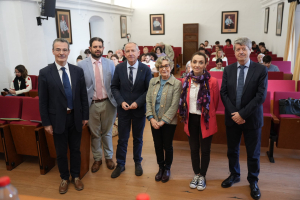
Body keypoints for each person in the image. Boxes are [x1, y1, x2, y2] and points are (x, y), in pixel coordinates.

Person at [38, 38, 89, 194]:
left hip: (75, 118)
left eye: (64, 49)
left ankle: (76, 176)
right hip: (57, 119)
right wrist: (46, 123)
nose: (61, 53)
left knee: (75, 149)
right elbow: (43, 101)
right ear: (53, 51)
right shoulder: (45, 73)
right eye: (58, 49)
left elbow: (83, 96)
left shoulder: (77, 71)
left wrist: (85, 116)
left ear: (69, 51)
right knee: (61, 151)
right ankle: (64, 178)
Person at [220, 37, 267, 200]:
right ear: (234, 52)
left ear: (250, 51)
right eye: (238, 49)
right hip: (232, 118)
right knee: (232, 150)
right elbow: (223, 93)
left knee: (253, 153)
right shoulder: (228, 70)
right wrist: (235, 113)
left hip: (252, 119)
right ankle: (234, 175)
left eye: (244, 48)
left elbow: (260, 96)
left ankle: (253, 180)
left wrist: (242, 114)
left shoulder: (260, 70)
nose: (241, 51)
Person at [111, 42, 152, 178]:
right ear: (124, 53)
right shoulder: (119, 68)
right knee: (122, 139)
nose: (130, 53)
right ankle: (120, 164)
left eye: (133, 51)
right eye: (127, 51)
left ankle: (137, 162)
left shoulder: (145, 69)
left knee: (138, 138)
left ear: (138, 52)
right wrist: (121, 101)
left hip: (138, 110)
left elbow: (149, 90)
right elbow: (114, 87)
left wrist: (138, 103)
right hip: (123, 110)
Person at [179, 52, 219, 191]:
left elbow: (215, 102)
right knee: (194, 149)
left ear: (206, 64)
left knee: (205, 149)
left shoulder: (212, 81)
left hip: (205, 120)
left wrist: (207, 114)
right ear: (190, 63)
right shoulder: (185, 80)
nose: (197, 65)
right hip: (190, 119)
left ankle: (203, 175)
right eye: (194, 62)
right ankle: (196, 173)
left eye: (200, 62)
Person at [77, 37, 117, 174]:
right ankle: (97, 158)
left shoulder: (110, 63)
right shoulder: (81, 65)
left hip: (108, 103)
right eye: (95, 47)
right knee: (95, 134)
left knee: (107, 132)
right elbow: (80, 88)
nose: (98, 49)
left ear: (103, 48)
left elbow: (114, 84)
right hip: (91, 104)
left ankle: (109, 157)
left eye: (100, 46)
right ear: (90, 48)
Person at [146, 56, 182, 183]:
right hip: (154, 120)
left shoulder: (177, 83)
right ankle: (160, 167)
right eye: (161, 66)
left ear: (171, 67)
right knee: (157, 145)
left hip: (168, 122)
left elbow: (174, 105)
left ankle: (167, 168)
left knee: (167, 145)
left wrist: (163, 121)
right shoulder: (152, 81)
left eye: (166, 66)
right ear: (158, 68)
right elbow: (148, 100)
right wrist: (151, 118)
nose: (164, 68)